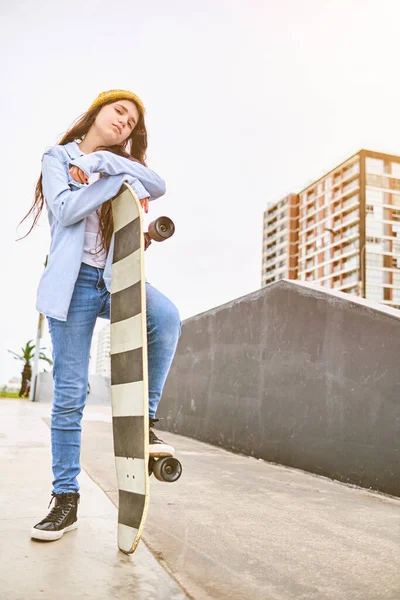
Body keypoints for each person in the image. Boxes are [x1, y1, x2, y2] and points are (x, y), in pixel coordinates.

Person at [19, 89, 182, 541]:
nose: (124, 123)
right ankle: (65, 499)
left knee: (166, 319)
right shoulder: (57, 158)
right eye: (119, 112)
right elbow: (67, 209)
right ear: (97, 113)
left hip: (113, 281)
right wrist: (110, 181)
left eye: (132, 123)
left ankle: (145, 421)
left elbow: (159, 185)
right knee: (70, 394)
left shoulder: (114, 165)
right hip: (71, 288)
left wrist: (106, 165)